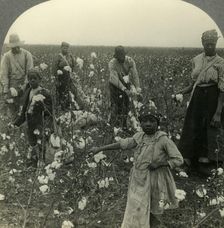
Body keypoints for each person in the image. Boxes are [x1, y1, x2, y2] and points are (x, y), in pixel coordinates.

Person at [89, 103, 183, 227]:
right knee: (136, 206)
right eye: (144, 121)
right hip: (138, 178)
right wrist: (100, 148)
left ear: (157, 123)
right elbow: (123, 144)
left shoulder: (162, 140)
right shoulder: (139, 137)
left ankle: (154, 225)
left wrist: (160, 163)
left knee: (154, 208)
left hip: (155, 180)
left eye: (152, 121)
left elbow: (178, 159)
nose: (148, 124)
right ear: (140, 123)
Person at [177, 29, 224, 175]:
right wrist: (180, 92)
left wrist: (218, 112)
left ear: (216, 43)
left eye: (212, 44)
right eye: (207, 44)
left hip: (212, 97)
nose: (209, 47)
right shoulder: (196, 60)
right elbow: (193, 84)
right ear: (202, 43)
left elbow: (222, 90)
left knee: (210, 128)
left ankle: (207, 161)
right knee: (192, 126)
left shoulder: (221, 63)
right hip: (197, 97)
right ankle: (189, 159)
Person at [14, 68, 53, 168]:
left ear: (40, 80)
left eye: (34, 78)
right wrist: (17, 122)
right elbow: (24, 109)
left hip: (40, 122)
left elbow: (50, 110)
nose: (32, 80)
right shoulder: (28, 91)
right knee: (32, 141)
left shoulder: (44, 93)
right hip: (30, 121)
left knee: (41, 141)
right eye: (30, 79)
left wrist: (42, 106)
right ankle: (33, 161)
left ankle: (41, 161)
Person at [0, 34, 34, 119]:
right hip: (12, 86)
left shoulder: (27, 54)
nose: (16, 48)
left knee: (24, 109)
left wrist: (24, 87)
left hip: (25, 85)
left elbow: (30, 73)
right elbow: (4, 74)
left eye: (17, 46)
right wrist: (6, 90)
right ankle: (12, 127)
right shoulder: (7, 57)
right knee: (11, 109)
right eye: (13, 47)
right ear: (11, 47)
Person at [108, 46, 141, 130]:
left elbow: (134, 75)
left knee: (126, 104)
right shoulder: (112, 63)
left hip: (126, 81)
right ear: (116, 56)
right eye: (118, 56)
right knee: (115, 104)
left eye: (122, 55)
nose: (120, 58)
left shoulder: (130, 61)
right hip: (114, 84)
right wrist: (124, 89)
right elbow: (114, 79)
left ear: (124, 55)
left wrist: (137, 88)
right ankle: (113, 124)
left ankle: (124, 124)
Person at [53, 41, 75, 111]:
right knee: (61, 92)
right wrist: (56, 79)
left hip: (69, 78)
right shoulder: (58, 57)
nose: (65, 49)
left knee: (69, 91)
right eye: (64, 48)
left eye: (67, 48)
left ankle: (68, 106)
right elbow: (54, 68)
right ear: (61, 48)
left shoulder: (71, 56)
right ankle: (61, 107)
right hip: (61, 78)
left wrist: (72, 74)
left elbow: (73, 66)